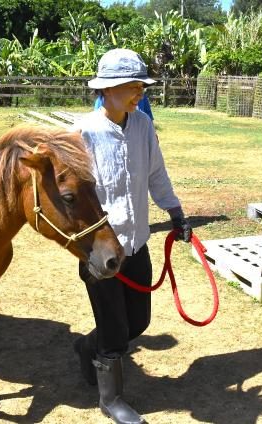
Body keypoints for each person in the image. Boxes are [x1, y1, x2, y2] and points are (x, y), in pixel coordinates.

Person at [72, 48, 191, 424]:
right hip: (101, 250)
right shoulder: (84, 133)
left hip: (137, 242)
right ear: (107, 90)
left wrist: (175, 213)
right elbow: (72, 195)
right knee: (114, 331)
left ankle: (86, 347)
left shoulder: (142, 126)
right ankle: (111, 400)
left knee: (138, 322)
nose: (140, 91)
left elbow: (156, 174)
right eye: (132, 85)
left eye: (142, 85)